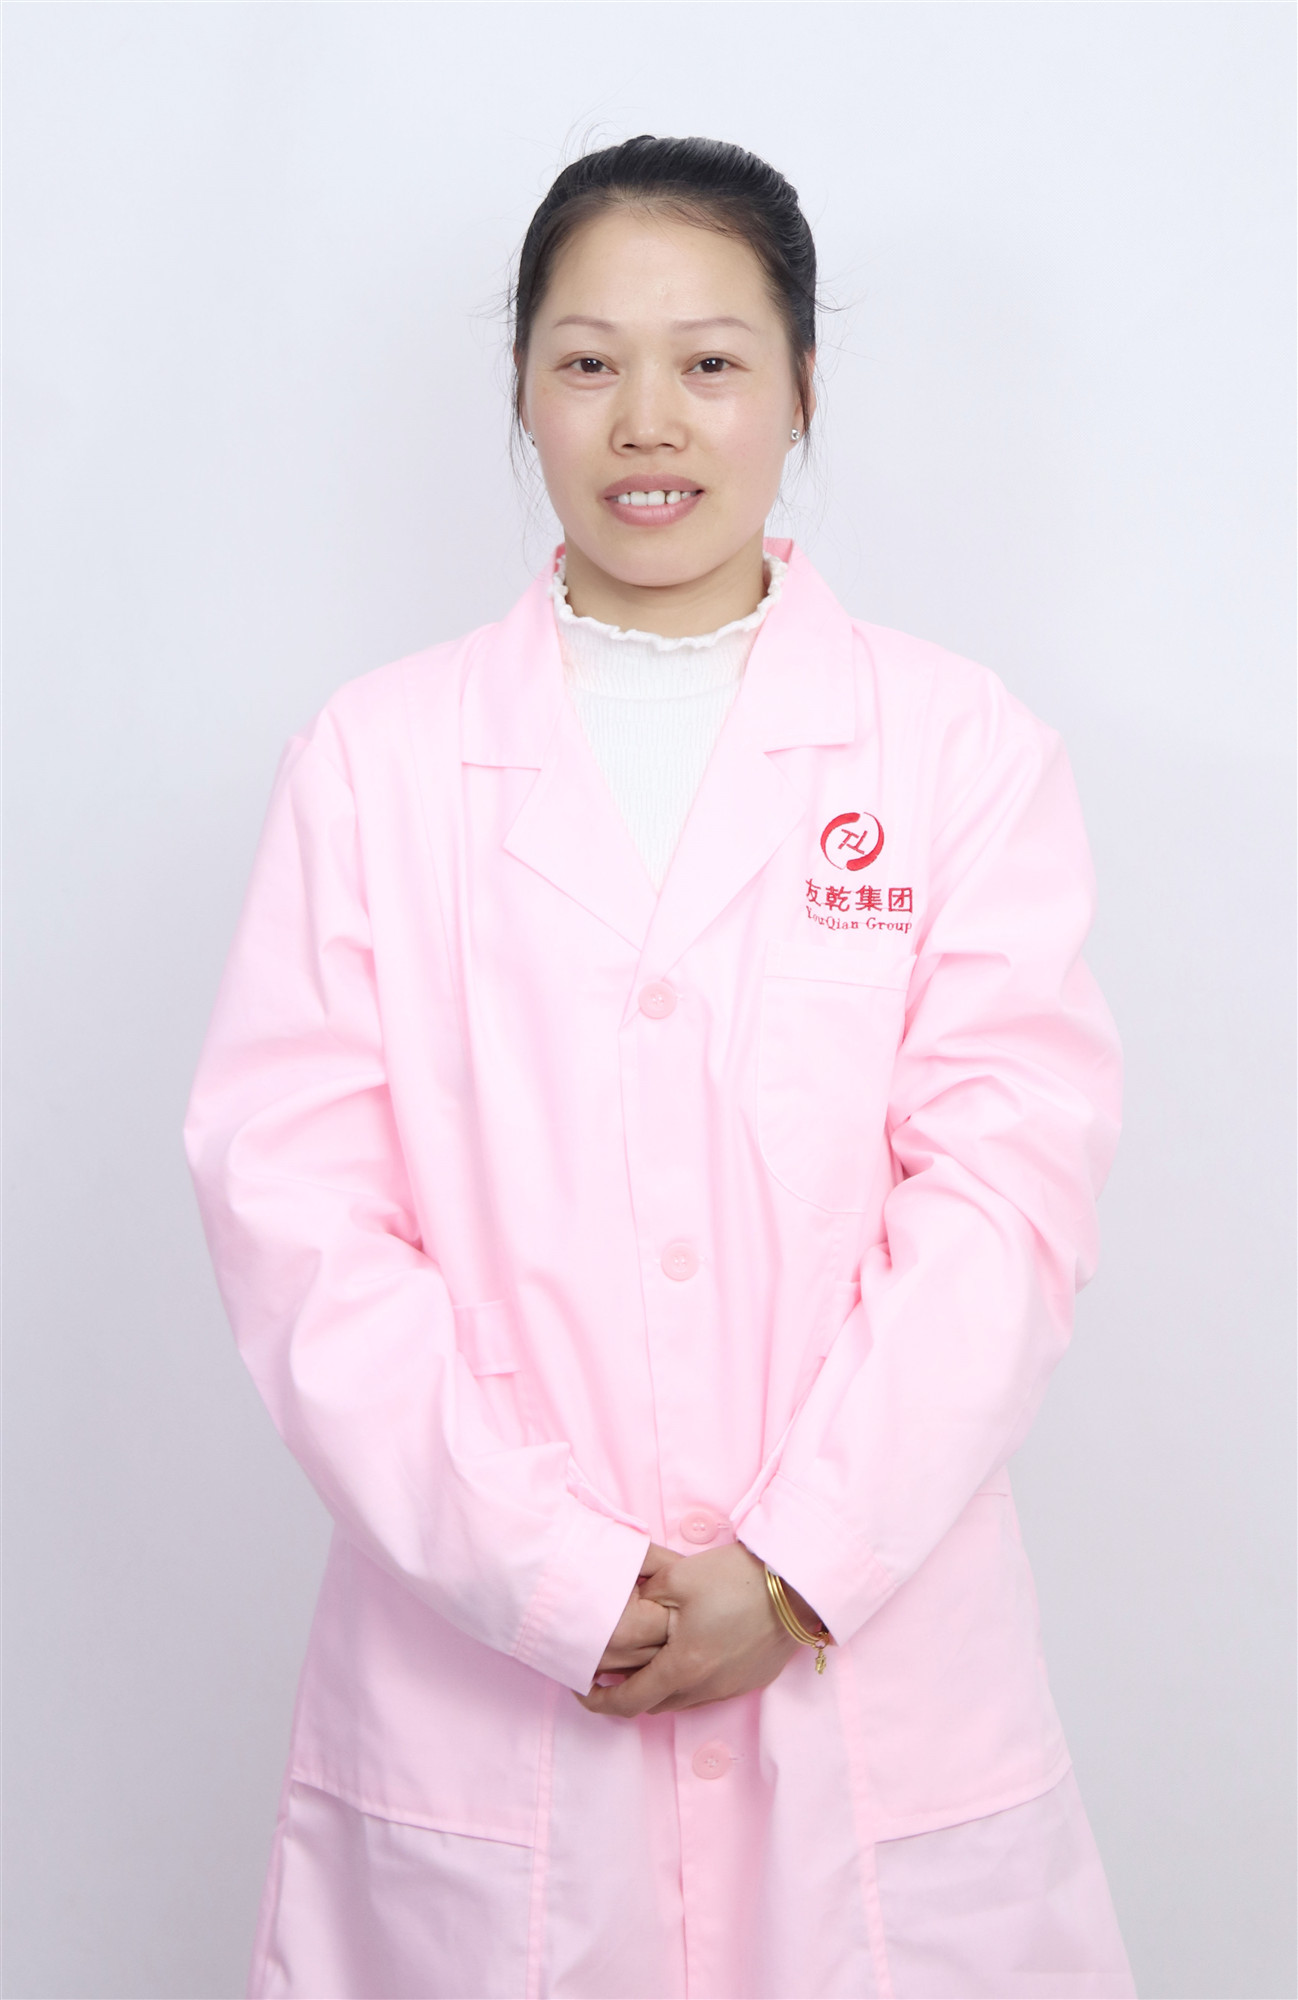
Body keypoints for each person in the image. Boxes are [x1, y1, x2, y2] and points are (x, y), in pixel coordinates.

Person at [185, 135, 1136, 2000]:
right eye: (586, 361)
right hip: (485, 1683)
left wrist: (794, 1566)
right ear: (520, 390)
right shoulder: (375, 766)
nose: (648, 421)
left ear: (800, 387)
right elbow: (296, 1221)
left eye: (708, 361)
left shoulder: (955, 751)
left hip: (871, 1670)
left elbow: (1006, 1199)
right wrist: (548, 1573)